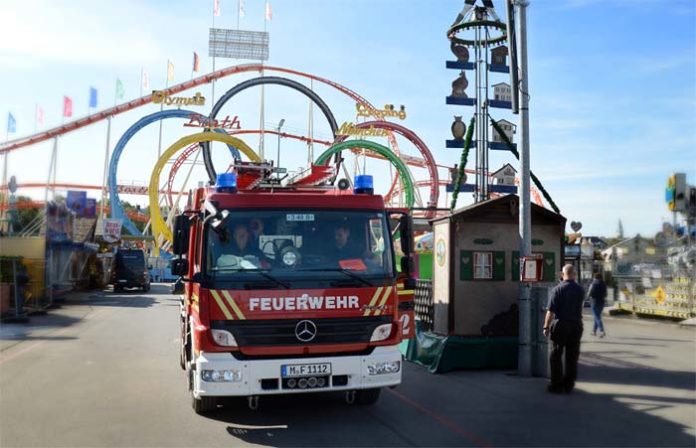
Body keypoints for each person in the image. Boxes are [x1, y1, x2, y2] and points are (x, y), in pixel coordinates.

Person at [543, 264, 585, 394]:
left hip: (561, 324)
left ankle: (556, 384)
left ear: (563, 274)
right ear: (574, 274)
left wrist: (546, 326)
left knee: (555, 355)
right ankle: (569, 384)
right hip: (576, 325)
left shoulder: (557, 290)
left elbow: (550, 311)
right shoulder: (580, 290)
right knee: (572, 356)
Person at [588, 273, 607, 337]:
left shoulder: (593, 284)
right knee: (597, 316)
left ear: (595, 278)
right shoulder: (604, 284)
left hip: (594, 302)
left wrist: (589, 297)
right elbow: (605, 294)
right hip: (601, 302)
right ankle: (594, 331)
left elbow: (589, 293)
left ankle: (602, 331)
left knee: (597, 317)